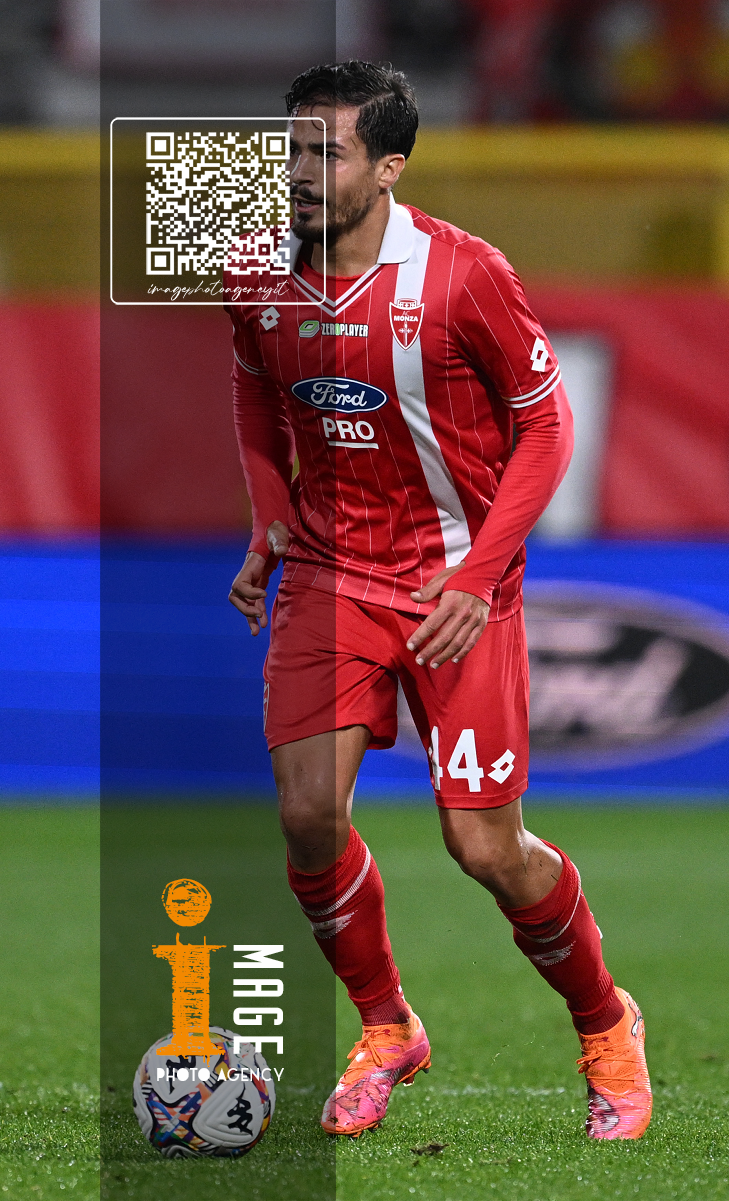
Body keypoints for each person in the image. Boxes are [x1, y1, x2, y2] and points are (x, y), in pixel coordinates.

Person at [225, 59, 651, 1141]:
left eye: (326, 153)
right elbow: (255, 384)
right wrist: (269, 518)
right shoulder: (251, 267)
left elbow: (547, 426)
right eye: (290, 150)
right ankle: (386, 1026)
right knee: (308, 816)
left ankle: (605, 1021)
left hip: (453, 579)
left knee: (484, 848)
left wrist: (480, 572)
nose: (299, 172)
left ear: (389, 166)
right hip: (327, 574)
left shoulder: (464, 274)